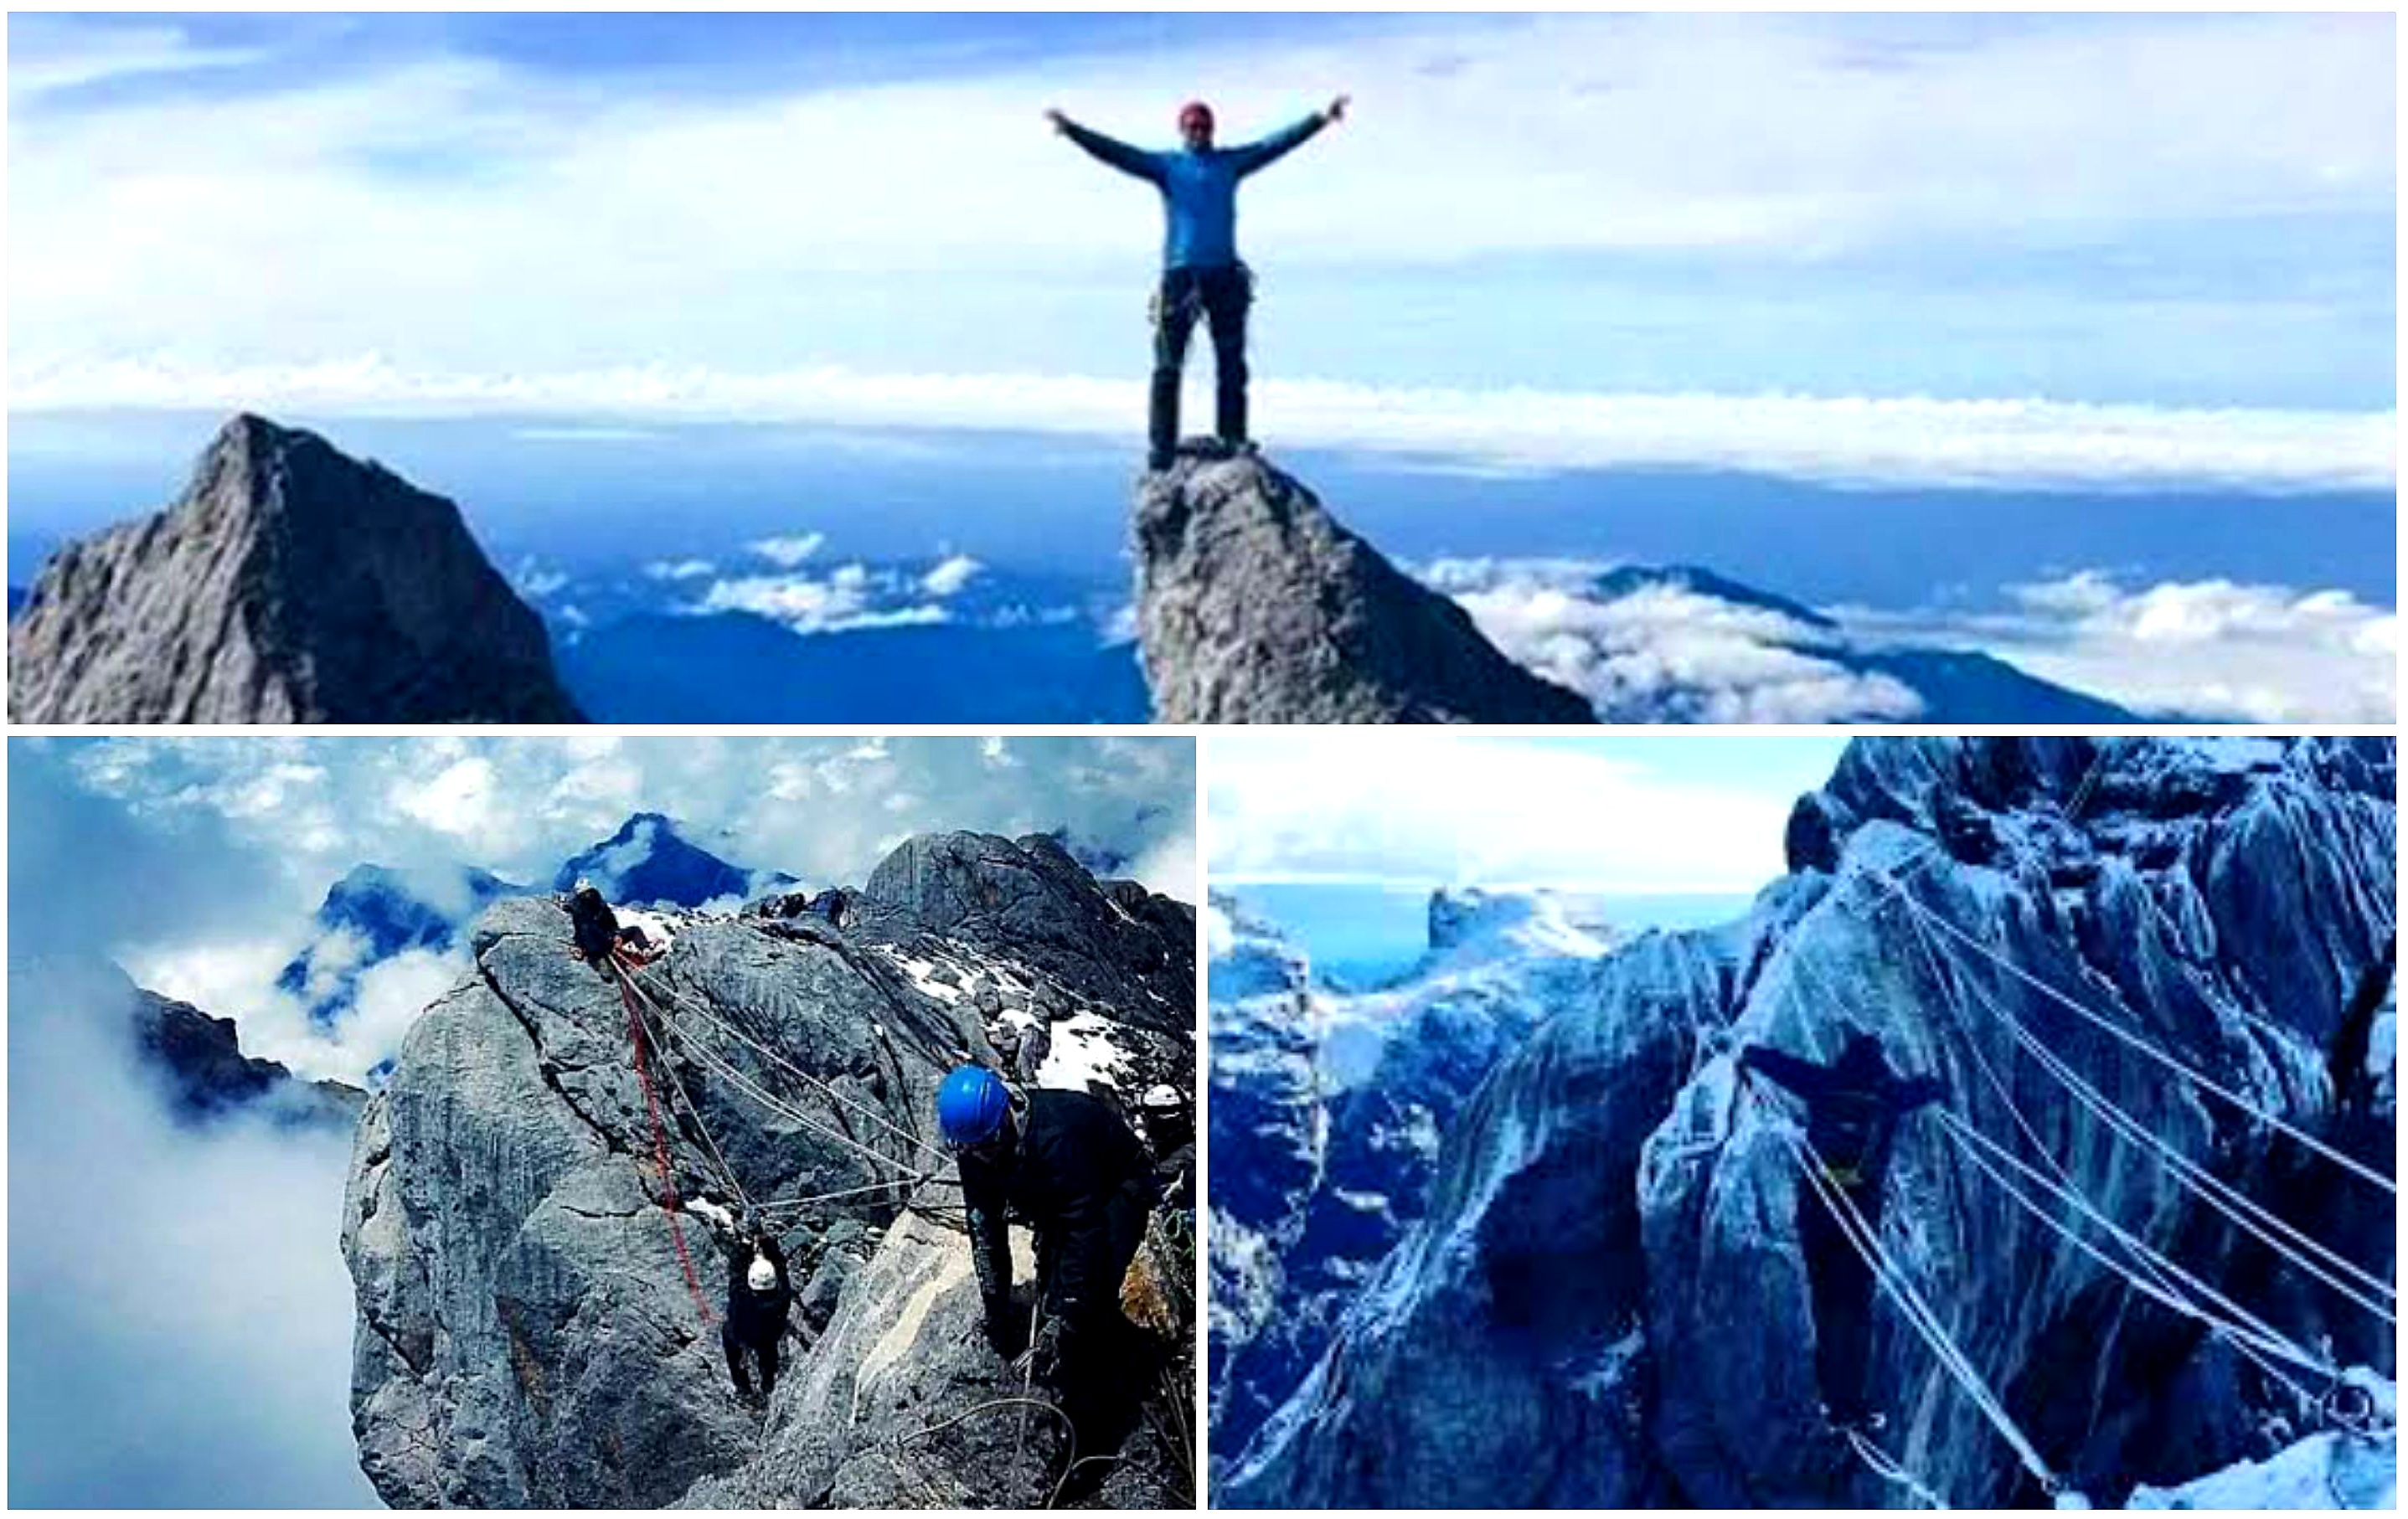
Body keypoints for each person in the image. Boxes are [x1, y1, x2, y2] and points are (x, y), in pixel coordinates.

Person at [1046, 95, 1350, 469]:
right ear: (1182, 130)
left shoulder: (1229, 163)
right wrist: (1073, 131)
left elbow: (1275, 145)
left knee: (1231, 364)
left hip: (1224, 274)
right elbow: (1118, 154)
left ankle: (1233, 438)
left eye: (1204, 126)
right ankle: (1162, 447)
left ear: (1212, 130)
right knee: (1168, 365)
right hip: (1180, 275)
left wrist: (1320, 119)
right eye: (1192, 126)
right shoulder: (1167, 167)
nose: (1198, 132)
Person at [1739, 1032, 1947, 1434]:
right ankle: (1850, 1403)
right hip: (1859, 1212)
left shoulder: (1821, 1081)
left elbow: (1773, 1062)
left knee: (1825, 1305)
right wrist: (1934, 1086)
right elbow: (1931, 1088)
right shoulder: (1890, 1095)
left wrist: (1748, 1053)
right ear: (1880, 1063)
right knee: (1854, 1312)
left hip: (1818, 1206)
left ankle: (1830, 1402)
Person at [936, 1065, 1158, 1388]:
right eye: (966, 1149)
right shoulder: (975, 1142)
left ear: (1006, 1119)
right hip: (1062, 1187)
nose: (979, 1158)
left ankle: (1110, 1379)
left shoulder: (1055, 1138)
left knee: (1093, 1287)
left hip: (1119, 1183)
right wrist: (996, 1310)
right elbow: (985, 1230)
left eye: (986, 1147)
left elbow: (1084, 1229)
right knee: (1052, 1282)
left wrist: (1066, 1318)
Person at [564, 879, 660, 977]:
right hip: (605, 942)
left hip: (593, 947)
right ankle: (646, 951)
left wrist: (579, 946)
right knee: (634, 930)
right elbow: (610, 923)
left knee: (597, 942)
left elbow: (580, 932)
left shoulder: (578, 912)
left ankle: (603, 962)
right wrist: (615, 936)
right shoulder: (599, 905)